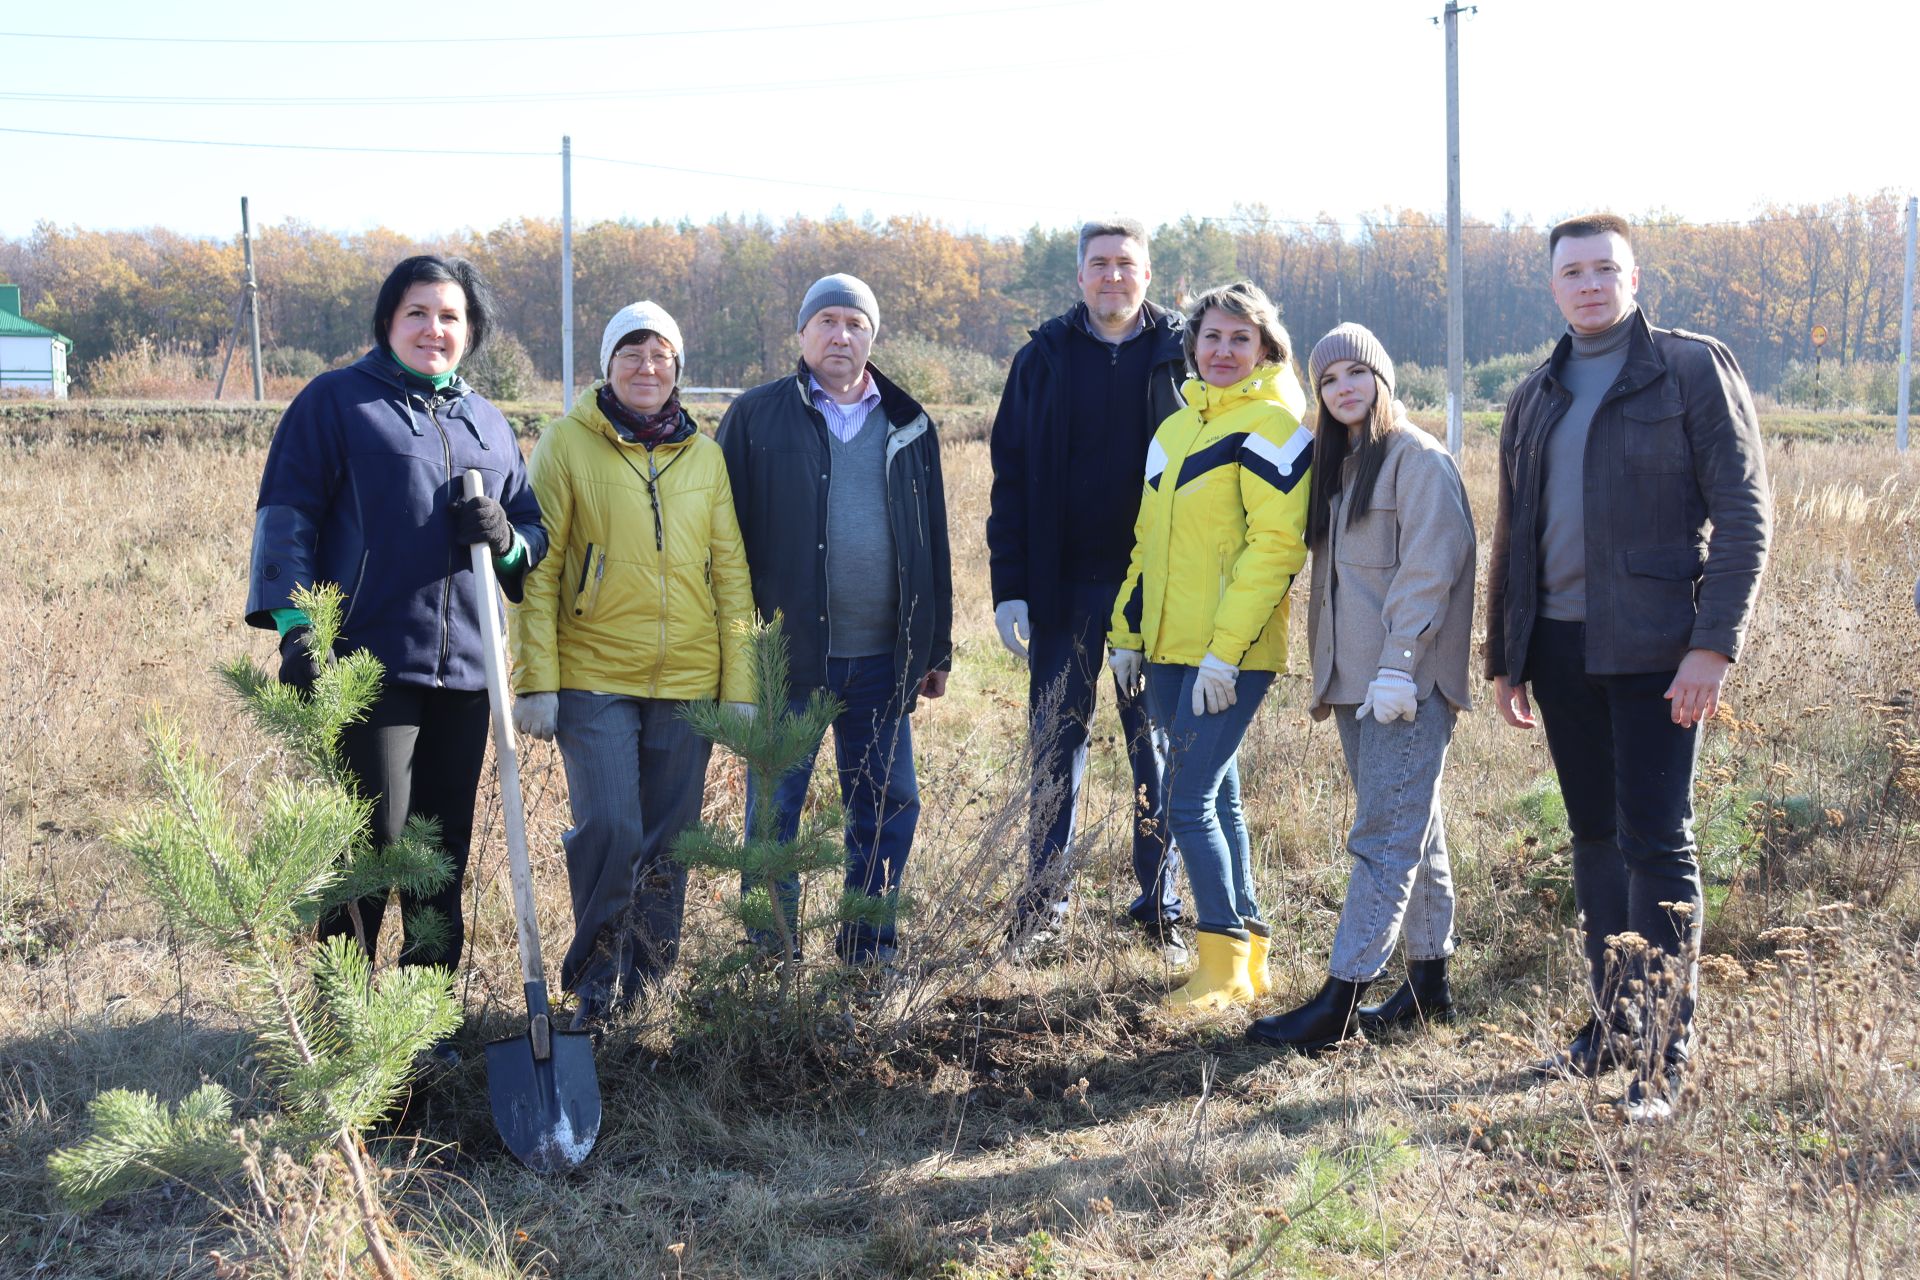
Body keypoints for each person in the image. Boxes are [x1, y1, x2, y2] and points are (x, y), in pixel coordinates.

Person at [1487, 214, 1771, 1121]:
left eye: (1606, 268)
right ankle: (1610, 1024)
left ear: (1635, 278)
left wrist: (1711, 645)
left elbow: (1744, 517)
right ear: (1553, 286)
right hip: (1562, 650)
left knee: (1656, 840)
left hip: (1657, 651)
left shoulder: (1689, 369)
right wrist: (1508, 654)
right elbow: (1514, 535)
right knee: (1596, 839)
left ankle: (1661, 1050)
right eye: (1572, 271)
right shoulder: (1535, 394)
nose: (1590, 284)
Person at [245, 255, 547, 1038]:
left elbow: (532, 532)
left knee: (437, 857)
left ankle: (422, 1029)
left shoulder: (486, 421)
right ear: (388, 321)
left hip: (467, 671)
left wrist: (508, 537)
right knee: (372, 847)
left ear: (470, 332)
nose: (434, 329)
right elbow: (287, 518)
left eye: (450, 317)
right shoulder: (337, 404)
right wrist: (294, 627)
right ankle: (342, 1030)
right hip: (368, 662)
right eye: (418, 313)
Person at [508, 302, 754, 1028]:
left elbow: (731, 573)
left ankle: (650, 987)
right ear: (607, 366)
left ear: (678, 369)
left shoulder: (703, 457)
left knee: (671, 841)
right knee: (611, 828)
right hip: (593, 676)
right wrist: (538, 681)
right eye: (631, 353)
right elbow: (539, 572)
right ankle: (592, 981)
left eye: (661, 356)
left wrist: (738, 684)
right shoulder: (566, 444)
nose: (647, 368)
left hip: (688, 677)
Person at [1245, 324, 1475, 1052]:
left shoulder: (1418, 460)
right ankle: (1429, 984)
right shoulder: (1342, 466)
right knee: (1414, 825)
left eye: (1356, 374)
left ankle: (1340, 1002)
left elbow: (1430, 570)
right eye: (1329, 381)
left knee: (1382, 838)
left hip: (1401, 684)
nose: (1344, 390)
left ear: (1383, 378)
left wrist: (1399, 666)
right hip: (1356, 684)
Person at [716, 273, 953, 965]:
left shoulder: (910, 423)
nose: (840, 335)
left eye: (854, 322)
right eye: (826, 321)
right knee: (776, 814)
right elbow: (721, 543)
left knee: (886, 804)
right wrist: (735, 651)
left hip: (882, 657)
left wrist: (935, 645)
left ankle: (868, 944)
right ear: (802, 335)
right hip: (786, 658)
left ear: (872, 337)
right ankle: (770, 955)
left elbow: (931, 540)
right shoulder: (756, 417)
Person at [987, 218, 1188, 960]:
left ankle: (1162, 905)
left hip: (1156, 591)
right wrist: (1010, 585)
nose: (1112, 276)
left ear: (1147, 276)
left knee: (1156, 747)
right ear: (1079, 276)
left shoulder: (1184, 359)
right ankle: (1044, 907)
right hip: (1061, 588)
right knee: (1055, 747)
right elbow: (1008, 479)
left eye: (1125, 264)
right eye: (1099, 264)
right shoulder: (1041, 359)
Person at [1107, 281, 1311, 1010]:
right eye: (1212, 337)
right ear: (1192, 344)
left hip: (1230, 655)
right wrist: (1126, 633)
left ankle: (1218, 966)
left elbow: (1275, 549)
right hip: (1165, 649)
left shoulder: (1275, 426)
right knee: (1217, 798)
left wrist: (1226, 653)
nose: (1223, 351)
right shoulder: (1175, 429)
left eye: (1240, 339)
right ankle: (1249, 961)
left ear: (1265, 349)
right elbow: (1147, 544)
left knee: (1185, 800)